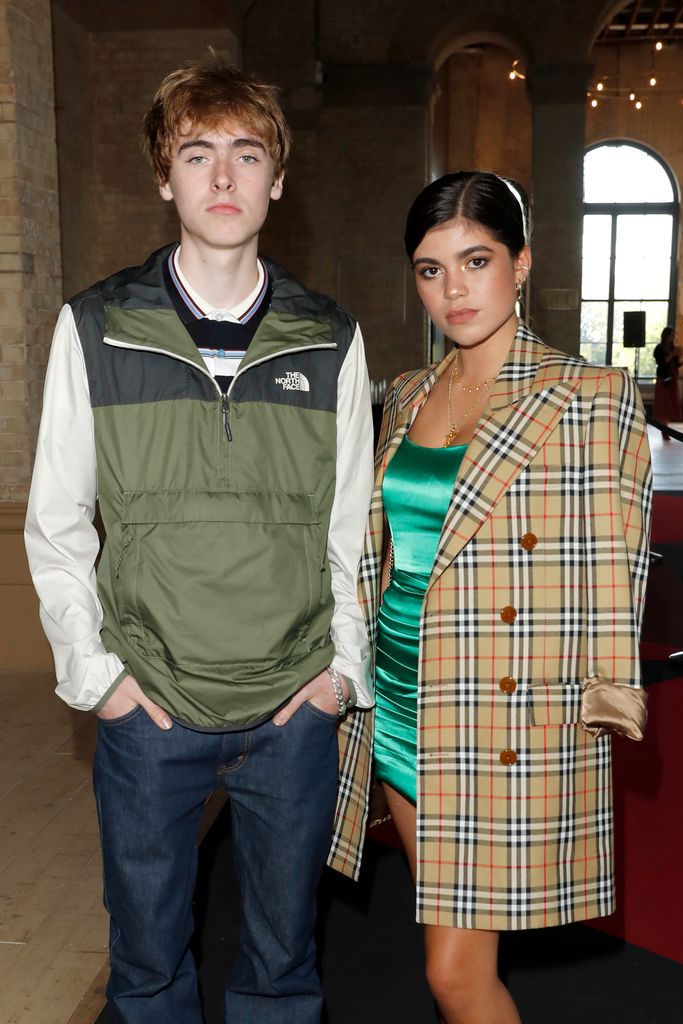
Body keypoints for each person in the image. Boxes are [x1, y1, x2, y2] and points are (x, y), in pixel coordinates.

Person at [24, 54, 374, 1024]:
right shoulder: (97, 327)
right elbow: (56, 521)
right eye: (197, 154)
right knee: (145, 971)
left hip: (291, 712)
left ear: (278, 176)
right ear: (162, 175)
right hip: (152, 711)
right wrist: (97, 677)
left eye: (246, 154)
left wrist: (338, 673)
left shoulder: (328, 337)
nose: (223, 179)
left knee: (280, 967)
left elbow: (346, 527)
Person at [357, 171, 652, 1023]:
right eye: (428, 269)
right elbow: (386, 553)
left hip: (495, 718)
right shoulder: (407, 393)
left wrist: (597, 703)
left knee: (454, 975)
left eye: (474, 260)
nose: (452, 289)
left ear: (521, 264)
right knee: (449, 962)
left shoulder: (586, 397)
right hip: (400, 705)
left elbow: (614, 565)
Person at [652, 324, 681, 439]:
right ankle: (664, 430)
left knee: (670, 405)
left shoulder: (674, 348)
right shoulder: (659, 349)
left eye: (673, 335)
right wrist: (673, 354)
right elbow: (662, 362)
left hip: (672, 379)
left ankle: (666, 429)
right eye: (670, 335)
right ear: (665, 336)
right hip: (663, 379)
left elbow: (676, 364)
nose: (672, 338)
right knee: (663, 405)